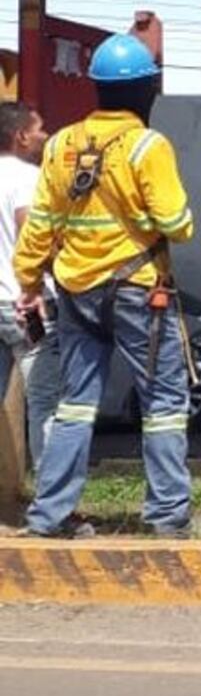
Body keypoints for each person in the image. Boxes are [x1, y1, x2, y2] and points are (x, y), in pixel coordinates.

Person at [15, 35, 195, 537]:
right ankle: (166, 517)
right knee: (162, 404)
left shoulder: (62, 144)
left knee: (74, 403)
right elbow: (177, 223)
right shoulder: (147, 145)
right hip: (139, 289)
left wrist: (29, 280)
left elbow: (42, 222)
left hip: (75, 291)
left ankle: (49, 515)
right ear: (146, 90)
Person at [0, 101, 59, 472]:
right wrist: (37, 287)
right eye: (39, 128)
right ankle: (54, 505)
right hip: (24, 303)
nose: (45, 135)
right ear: (21, 136)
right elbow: (31, 237)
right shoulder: (27, 177)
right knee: (46, 402)